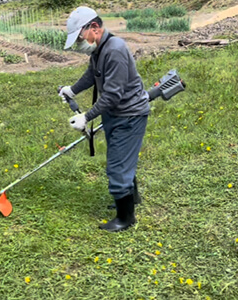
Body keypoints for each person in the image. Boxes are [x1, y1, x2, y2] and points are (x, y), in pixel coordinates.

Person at [58, 6, 150, 232]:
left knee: (117, 166)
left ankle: (125, 218)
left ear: (94, 28)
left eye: (80, 36)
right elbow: (92, 74)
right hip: (115, 114)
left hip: (129, 115)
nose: (81, 42)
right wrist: (72, 90)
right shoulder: (100, 49)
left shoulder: (115, 50)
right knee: (122, 159)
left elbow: (112, 95)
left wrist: (86, 116)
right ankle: (132, 197)